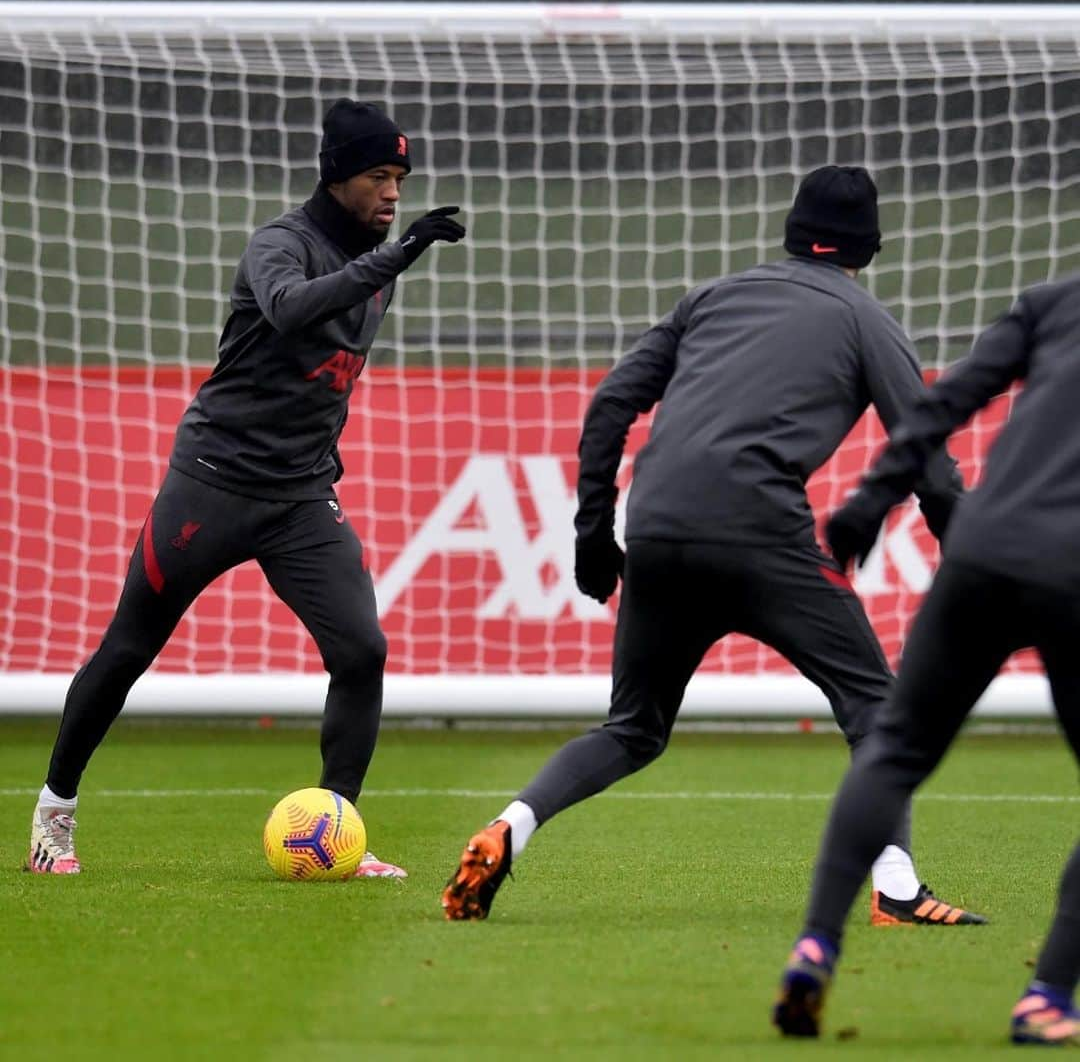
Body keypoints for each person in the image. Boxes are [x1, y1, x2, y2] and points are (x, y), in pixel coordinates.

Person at [442, 164, 984, 925]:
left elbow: (610, 406)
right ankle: (896, 888)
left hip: (658, 528)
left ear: (791, 233)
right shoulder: (868, 320)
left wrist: (593, 533)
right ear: (873, 247)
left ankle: (509, 826)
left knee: (631, 729)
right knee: (875, 706)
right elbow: (925, 450)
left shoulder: (710, 298)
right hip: (762, 533)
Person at [26, 99, 466, 878]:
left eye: (399, 177)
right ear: (337, 177)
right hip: (212, 485)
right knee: (129, 648)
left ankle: (340, 828)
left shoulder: (377, 260)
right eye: (378, 176)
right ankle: (53, 815)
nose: (393, 192)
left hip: (300, 499)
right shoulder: (281, 244)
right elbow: (291, 310)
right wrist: (395, 256)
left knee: (362, 652)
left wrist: (388, 257)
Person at [774, 274, 1080, 1045]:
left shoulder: (1059, 300)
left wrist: (868, 502)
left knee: (898, 748)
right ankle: (1047, 995)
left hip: (983, 551)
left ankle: (816, 945)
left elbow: (943, 402)